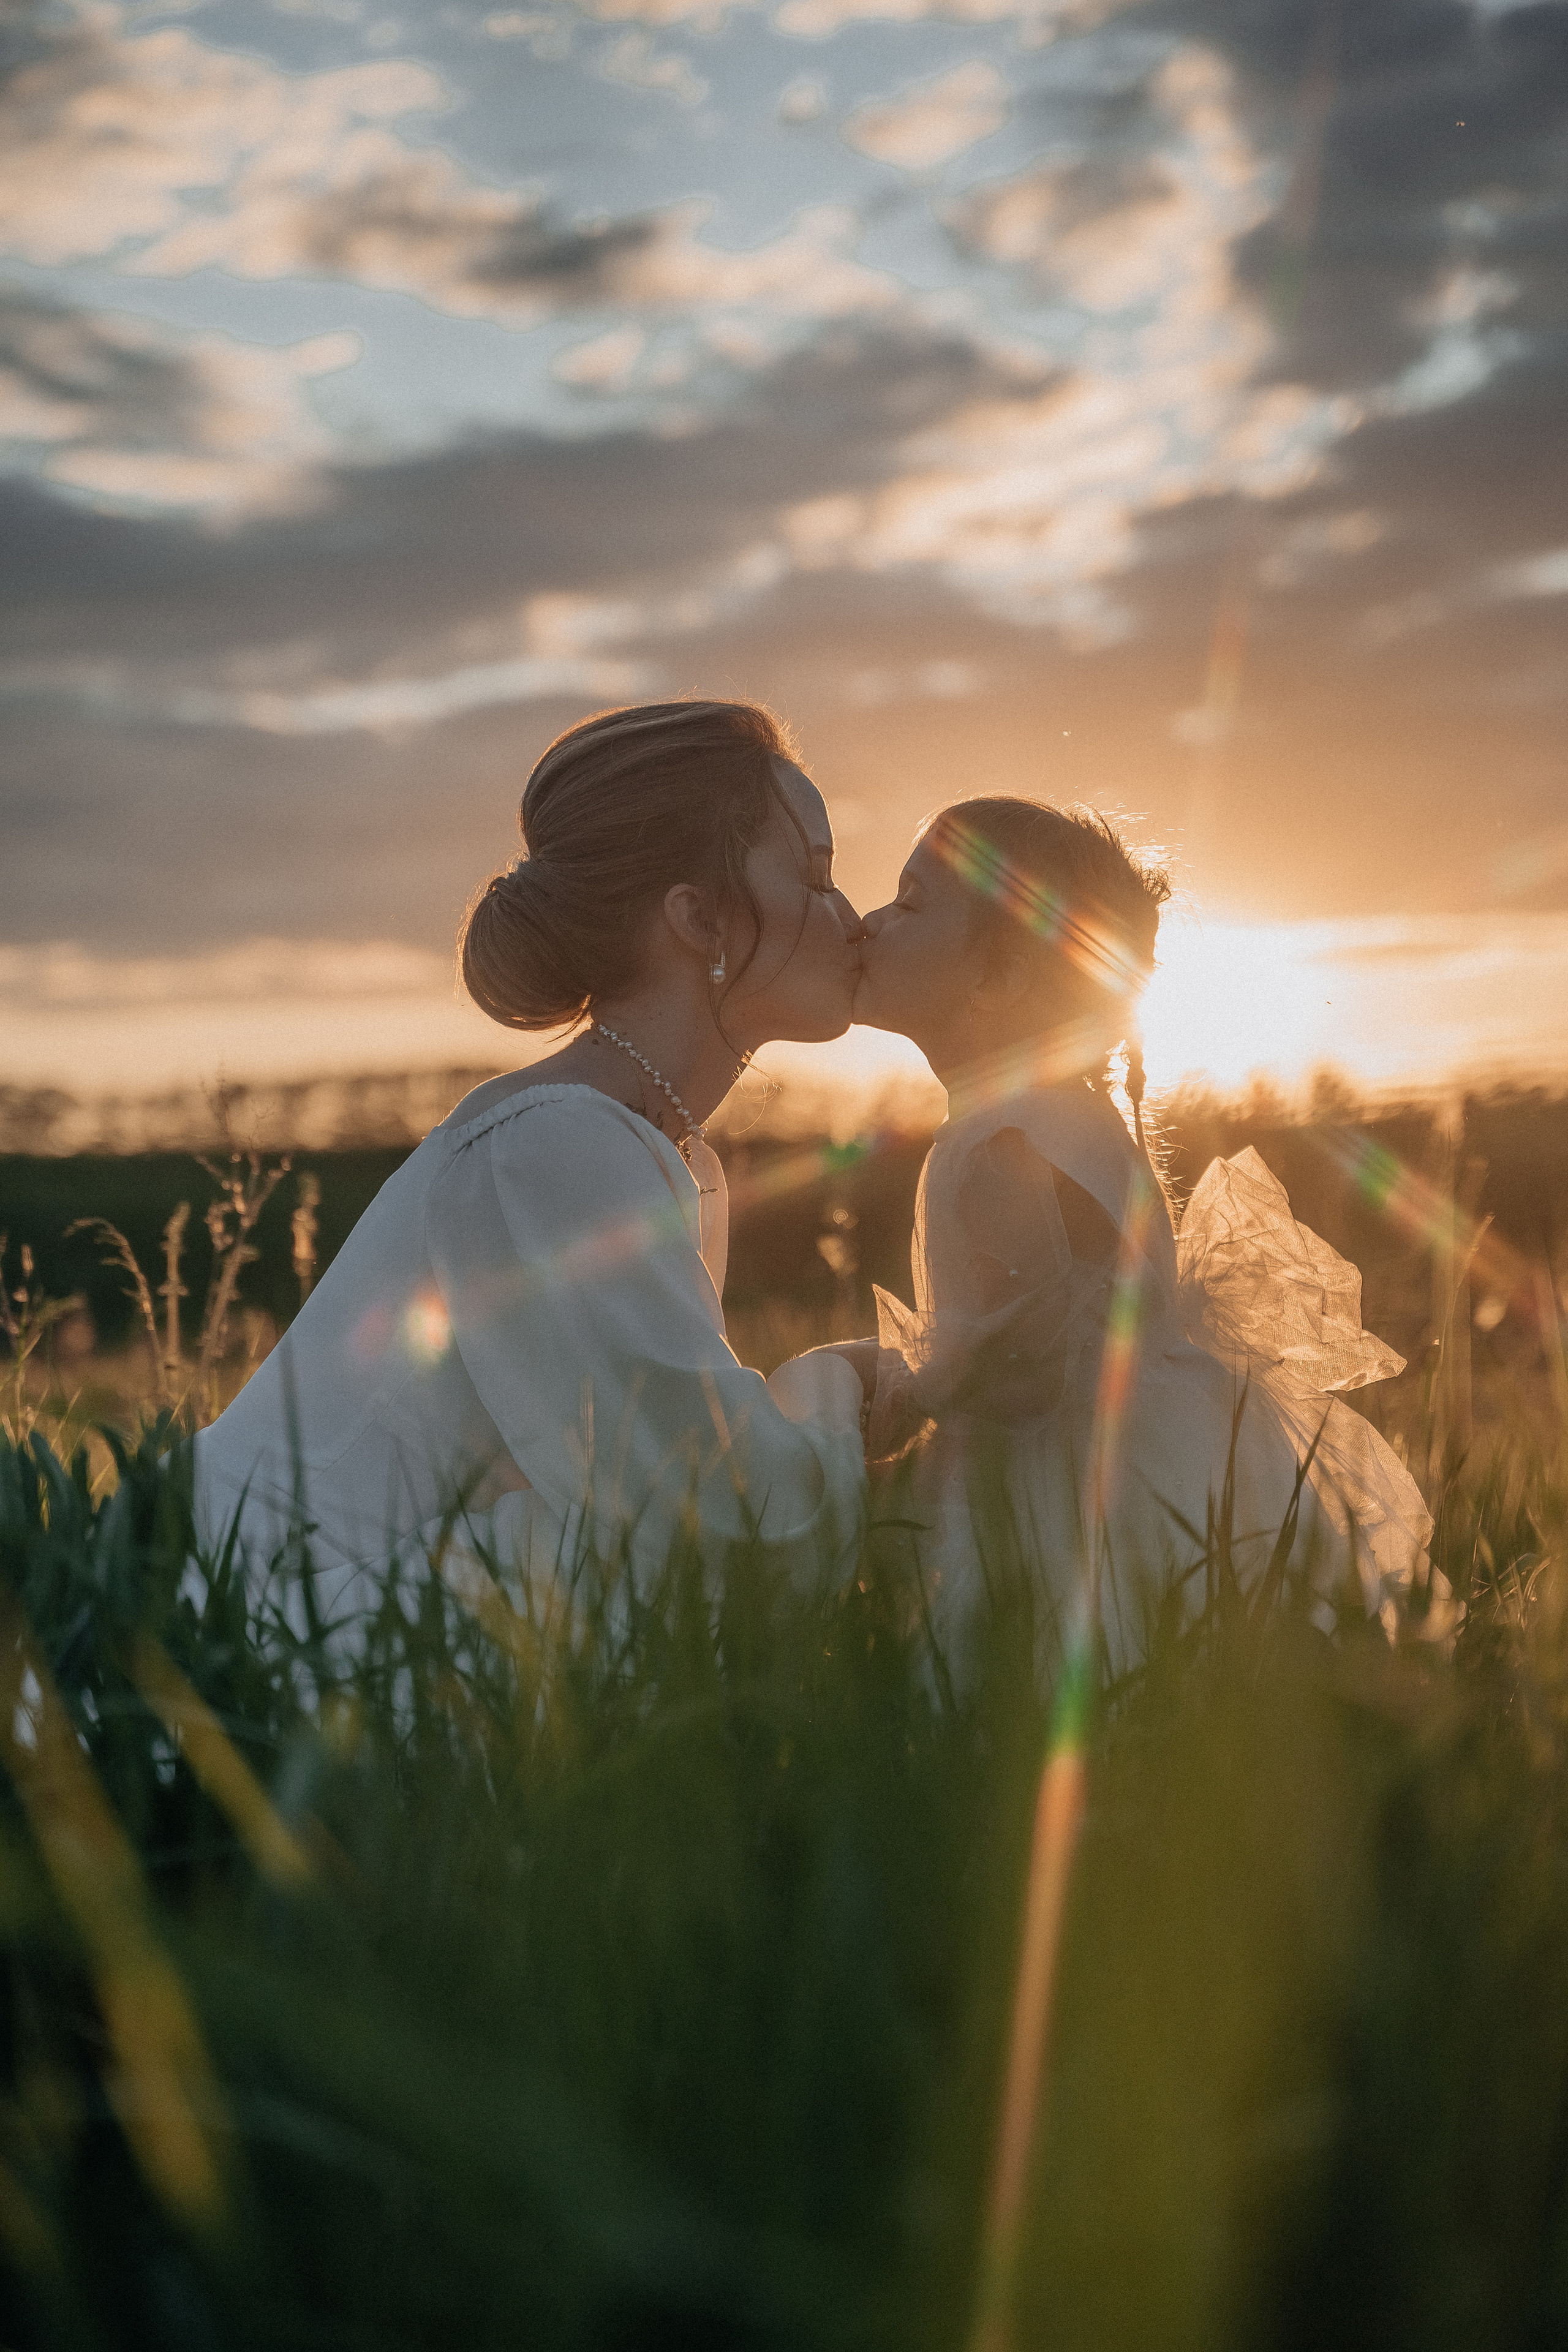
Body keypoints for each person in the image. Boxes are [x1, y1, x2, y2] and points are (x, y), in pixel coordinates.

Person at [192, 699, 868, 1618]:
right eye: (817, 876)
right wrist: (843, 1385)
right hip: (272, 1629)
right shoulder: (555, 1145)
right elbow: (722, 1522)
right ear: (701, 918)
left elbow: (645, 1497)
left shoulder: (652, 1148)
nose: (850, 917)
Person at [848, 796, 1434, 1684]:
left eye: (909, 903)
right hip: (1143, 1453)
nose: (871, 921)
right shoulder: (1057, 1115)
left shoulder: (1005, 1142)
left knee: (1052, 1666)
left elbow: (1035, 1358)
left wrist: (908, 1393)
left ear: (1001, 980)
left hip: (1068, 1480)